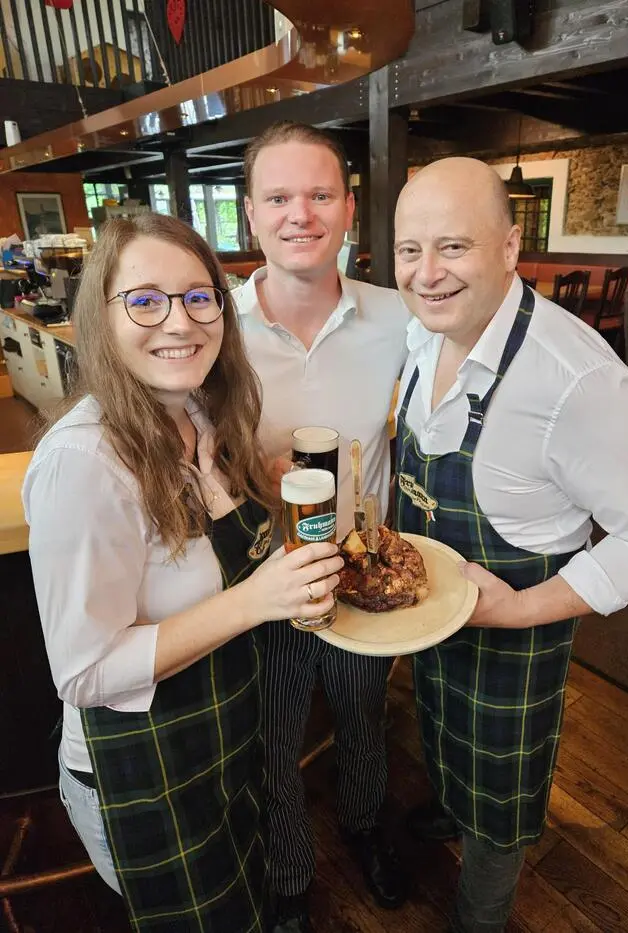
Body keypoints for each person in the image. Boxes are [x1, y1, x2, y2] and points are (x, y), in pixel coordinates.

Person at [392, 158, 628, 933]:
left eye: (452, 247)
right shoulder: (420, 338)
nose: (426, 274)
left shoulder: (573, 378)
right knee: (436, 725)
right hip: (434, 617)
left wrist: (522, 607)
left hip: (516, 635)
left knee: (503, 786)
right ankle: (449, 809)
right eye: (408, 250)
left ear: (508, 245)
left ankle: (480, 912)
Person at [22, 213, 344, 933]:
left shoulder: (198, 409)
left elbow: (218, 556)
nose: (180, 321)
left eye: (200, 297)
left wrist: (258, 482)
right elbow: (83, 672)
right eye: (145, 299)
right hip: (146, 768)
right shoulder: (85, 462)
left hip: (226, 737)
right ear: (102, 317)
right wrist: (257, 601)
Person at [235, 121, 410, 933]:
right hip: (258, 581)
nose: (298, 213)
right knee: (270, 738)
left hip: (359, 571)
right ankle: (292, 872)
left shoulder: (399, 316)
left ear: (348, 208)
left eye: (318, 194)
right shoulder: (211, 327)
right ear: (249, 215)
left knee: (363, 716)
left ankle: (368, 828)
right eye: (278, 196)